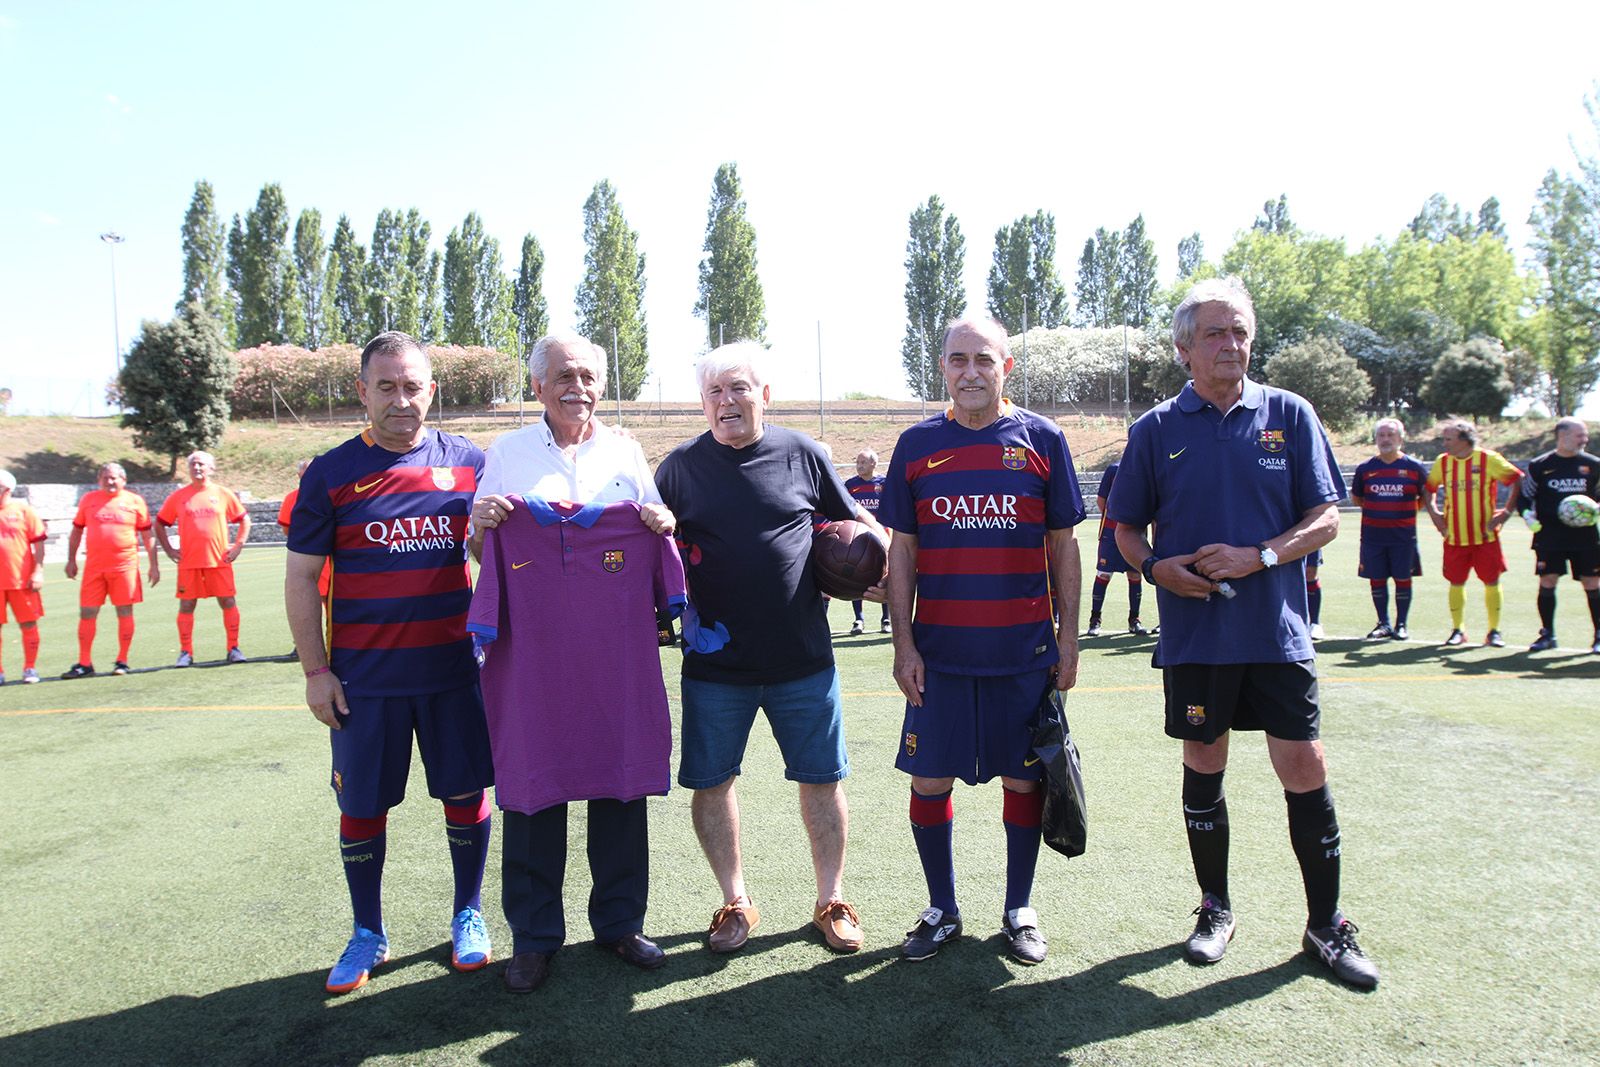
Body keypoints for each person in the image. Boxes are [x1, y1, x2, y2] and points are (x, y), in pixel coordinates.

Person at [1108, 277, 1379, 989]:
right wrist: (1157, 568)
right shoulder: (1156, 430)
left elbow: (1325, 517)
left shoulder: (1289, 414)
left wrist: (1259, 555)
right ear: (1183, 349)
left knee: (1304, 765)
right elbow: (1125, 528)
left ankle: (1326, 924)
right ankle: (1215, 909)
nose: (1231, 345)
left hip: (1277, 633)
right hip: (1198, 639)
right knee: (1204, 758)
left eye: (1240, 333)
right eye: (1215, 334)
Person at [655, 341, 888, 957]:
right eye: (714, 392)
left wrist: (875, 558)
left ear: (764, 395)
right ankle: (734, 900)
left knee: (823, 779)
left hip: (802, 658)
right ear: (702, 403)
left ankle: (830, 899)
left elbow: (859, 526)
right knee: (712, 782)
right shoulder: (677, 469)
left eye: (738, 388)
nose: (726, 401)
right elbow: (655, 555)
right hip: (714, 665)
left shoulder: (803, 453)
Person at [466, 332, 681, 993]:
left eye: (588, 375)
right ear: (537, 385)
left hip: (614, 659)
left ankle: (620, 922)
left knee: (620, 787)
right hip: (531, 662)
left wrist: (662, 522)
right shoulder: (506, 454)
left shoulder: (625, 451)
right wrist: (482, 520)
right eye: (563, 375)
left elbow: (658, 524)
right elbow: (481, 549)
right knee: (532, 791)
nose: (577, 386)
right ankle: (533, 938)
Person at [285, 331, 495, 995]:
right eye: (386, 387)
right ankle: (367, 929)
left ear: (432, 390)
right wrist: (316, 670)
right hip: (364, 682)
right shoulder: (329, 472)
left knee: (465, 793)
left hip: (454, 672)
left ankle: (468, 912)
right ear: (362, 392)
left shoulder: (469, 461)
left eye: (412, 386)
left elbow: (494, 562)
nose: (401, 399)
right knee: (364, 807)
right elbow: (300, 579)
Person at [880, 315, 1085, 965]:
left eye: (983, 360)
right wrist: (902, 646)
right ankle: (943, 908)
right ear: (942, 366)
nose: (970, 371)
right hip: (938, 658)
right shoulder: (915, 446)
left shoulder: (1043, 440)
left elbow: (1064, 547)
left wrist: (1070, 640)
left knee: (1026, 784)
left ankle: (1018, 908)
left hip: (1022, 657)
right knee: (929, 779)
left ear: (1006, 367)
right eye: (958, 359)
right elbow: (902, 551)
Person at [1424, 419, 1523, 647]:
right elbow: (1428, 489)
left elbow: (1517, 479)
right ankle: (1458, 630)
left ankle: (1494, 631)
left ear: (1463, 439)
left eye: (1448, 439)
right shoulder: (1443, 462)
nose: (1444, 443)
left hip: (1485, 537)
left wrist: (1506, 512)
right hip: (1454, 537)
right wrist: (1436, 516)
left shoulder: (1488, 459)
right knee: (1456, 582)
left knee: (1491, 581)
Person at [61, 462, 161, 678]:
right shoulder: (89, 500)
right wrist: (71, 560)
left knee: (124, 611)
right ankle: (84, 663)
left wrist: (154, 565)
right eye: (105, 477)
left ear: (123, 480)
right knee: (87, 612)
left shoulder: (135, 502)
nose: (110, 481)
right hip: (94, 567)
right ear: (99, 480)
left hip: (124, 566)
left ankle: (122, 661)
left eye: (114, 477)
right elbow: (77, 531)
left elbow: (147, 535)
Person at [155, 451, 251, 665]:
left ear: (211, 468)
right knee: (187, 605)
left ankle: (233, 648)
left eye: (201, 465)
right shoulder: (179, 496)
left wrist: (238, 546)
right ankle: (186, 652)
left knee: (228, 601)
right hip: (189, 563)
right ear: (188, 469)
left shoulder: (222, 493)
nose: (197, 468)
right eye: (193, 465)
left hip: (219, 561)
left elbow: (245, 520)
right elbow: (160, 523)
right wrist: (170, 550)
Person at [1518, 417, 1600, 653]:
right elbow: (1525, 497)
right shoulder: (1540, 465)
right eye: (1579, 435)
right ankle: (1547, 635)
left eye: (1584, 435)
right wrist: (1527, 515)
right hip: (1550, 535)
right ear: (1562, 436)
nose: (1584, 439)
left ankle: (1598, 635)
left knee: (1592, 582)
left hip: (1585, 536)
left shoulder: (1593, 465)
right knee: (1547, 581)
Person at [1349, 418, 1429, 640]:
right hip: (1373, 536)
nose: (1385, 439)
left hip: (1403, 537)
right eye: (1381, 435)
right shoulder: (1366, 469)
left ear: (1401, 439)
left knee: (1403, 578)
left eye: (1390, 435)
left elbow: (1424, 498)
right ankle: (1383, 623)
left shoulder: (1414, 468)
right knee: (1377, 578)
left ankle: (1401, 624)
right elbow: (1358, 498)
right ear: (1375, 439)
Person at [1086, 458, 1150, 637]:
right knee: (1104, 574)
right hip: (1110, 533)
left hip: (1136, 532)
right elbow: (1101, 501)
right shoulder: (1114, 469)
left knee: (1135, 575)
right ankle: (1095, 619)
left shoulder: (1145, 467)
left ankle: (1134, 620)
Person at [0, 470, 47, 685]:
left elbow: (38, 543)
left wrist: (38, 570)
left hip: (21, 579)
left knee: (28, 624)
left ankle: (30, 668)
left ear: (7, 489)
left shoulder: (23, 511)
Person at [844, 449, 890, 635]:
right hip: (859, 540)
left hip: (882, 539)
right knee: (857, 576)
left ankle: (886, 619)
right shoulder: (850, 485)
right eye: (857, 461)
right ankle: (859, 619)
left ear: (874, 464)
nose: (859, 465)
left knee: (884, 577)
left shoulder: (884, 484)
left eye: (863, 462)